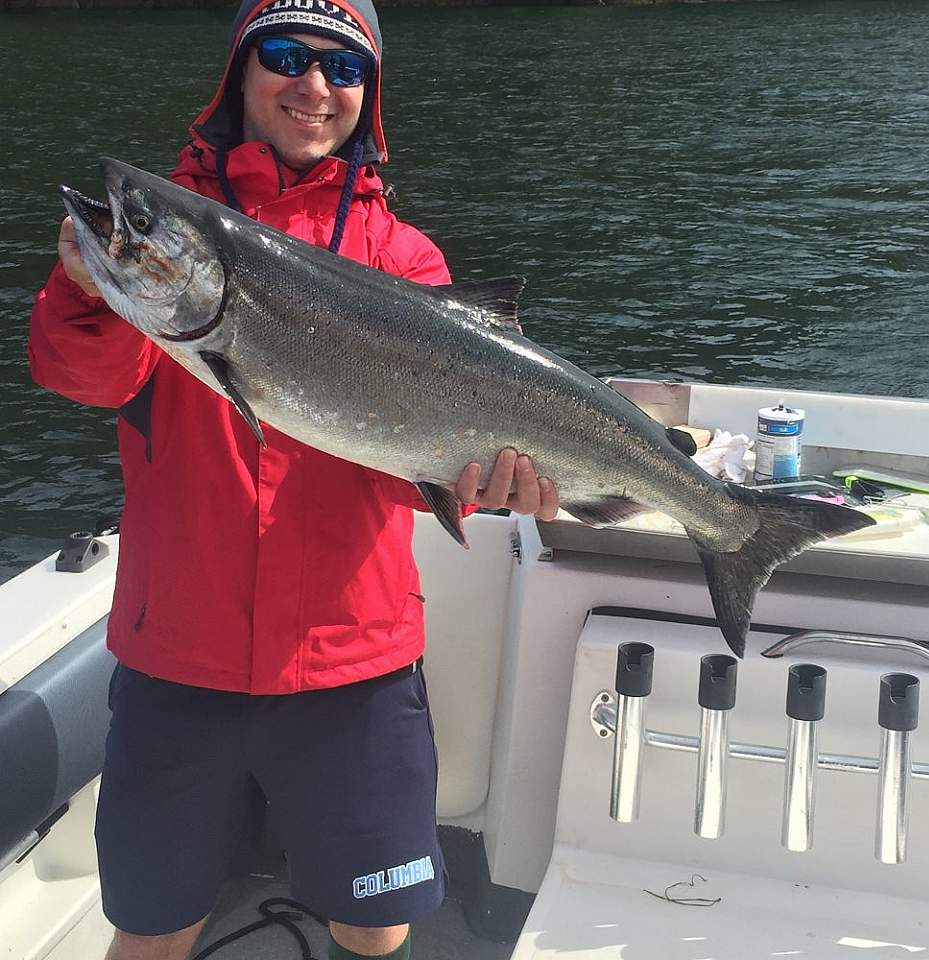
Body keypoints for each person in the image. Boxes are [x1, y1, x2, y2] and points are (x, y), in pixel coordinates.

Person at [28, 2, 559, 958]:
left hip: (351, 659)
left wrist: (484, 482)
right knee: (151, 926)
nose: (314, 86)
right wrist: (86, 282)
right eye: (285, 56)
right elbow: (84, 377)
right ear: (238, 74)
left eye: (343, 67)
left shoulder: (404, 258)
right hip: (176, 658)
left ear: (368, 94)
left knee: (379, 923)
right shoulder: (173, 240)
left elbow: (414, 471)